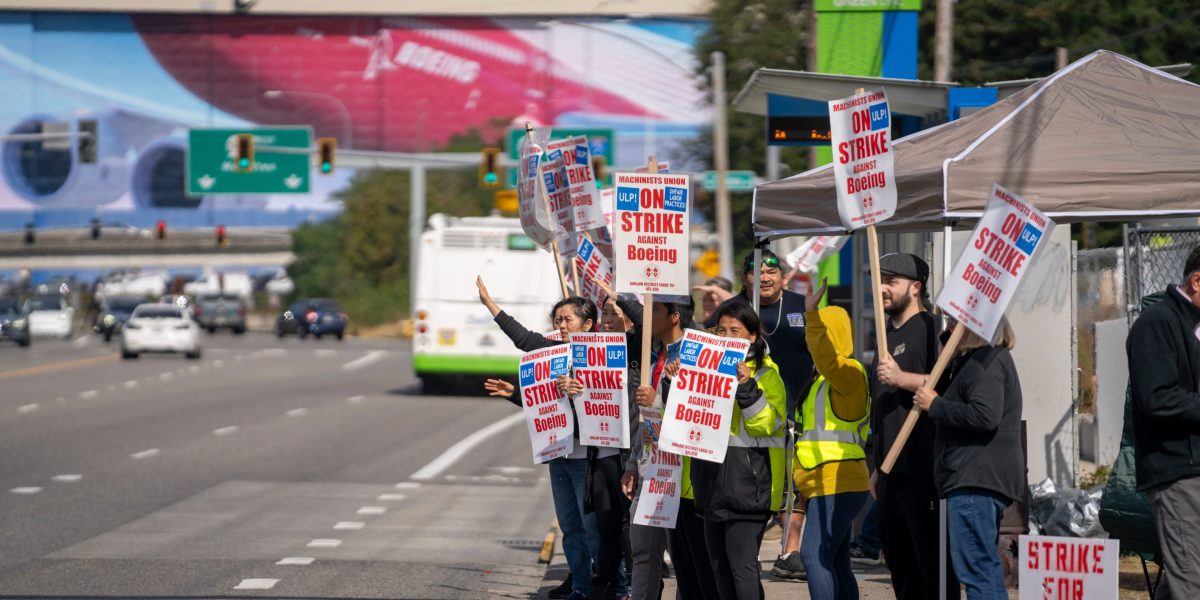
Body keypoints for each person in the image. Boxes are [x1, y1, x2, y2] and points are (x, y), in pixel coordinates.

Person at [478, 276, 635, 600]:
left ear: (588, 324)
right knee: (570, 528)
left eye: (567, 319)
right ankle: (580, 586)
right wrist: (515, 393)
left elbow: (611, 400)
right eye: (557, 320)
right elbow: (527, 343)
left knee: (595, 529)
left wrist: (582, 390)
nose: (561, 326)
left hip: (589, 459)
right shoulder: (554, 353)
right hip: (558, 455)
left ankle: (616, 586)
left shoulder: (606, 354)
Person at [914, 317, 1023, 600]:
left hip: (975, 478)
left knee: (976, 570)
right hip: (977, 477)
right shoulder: (980, 360)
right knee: (983, 569)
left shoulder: (984, 362)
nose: (948, 328)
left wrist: (935, 405)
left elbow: (984, 415)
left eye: (955, 322)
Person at [870, 253, 959, 598]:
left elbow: (947, 387)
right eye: (878, 280)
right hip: (890, 470)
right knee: (901, 567)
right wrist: (879, 465)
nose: (881, 289)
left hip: (924, 471)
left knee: (932, 567)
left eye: (890, 281)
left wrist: (901, 377)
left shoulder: (931, 328)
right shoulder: (883, 333)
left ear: (915, 286)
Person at [690, 301, 788, 600]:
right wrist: (675, 381)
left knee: (741, 567)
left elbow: (766, 425)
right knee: (719, 567)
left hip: (749, 488)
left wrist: (746, 385)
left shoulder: (767, 376)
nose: (728, 336)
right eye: (722, 330)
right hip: (712, 484)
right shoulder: (704, 372)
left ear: (753, 337)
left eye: (736, 330)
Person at [1127, 244, 1200, 600]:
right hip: (1177, 473)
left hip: (1192, 467)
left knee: (1185, 579)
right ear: (1198, 281)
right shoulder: (1156, 325)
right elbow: (1157, 397)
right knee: (1191, 582)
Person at [791, 278, 871, 600]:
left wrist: (812, 317)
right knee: (836, 562)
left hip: (838, 481)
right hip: (823, 483)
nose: (812, 341)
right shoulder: (822, 380)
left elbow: (827, 357)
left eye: (822, 333)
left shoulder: (848, 373)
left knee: (813, 557)